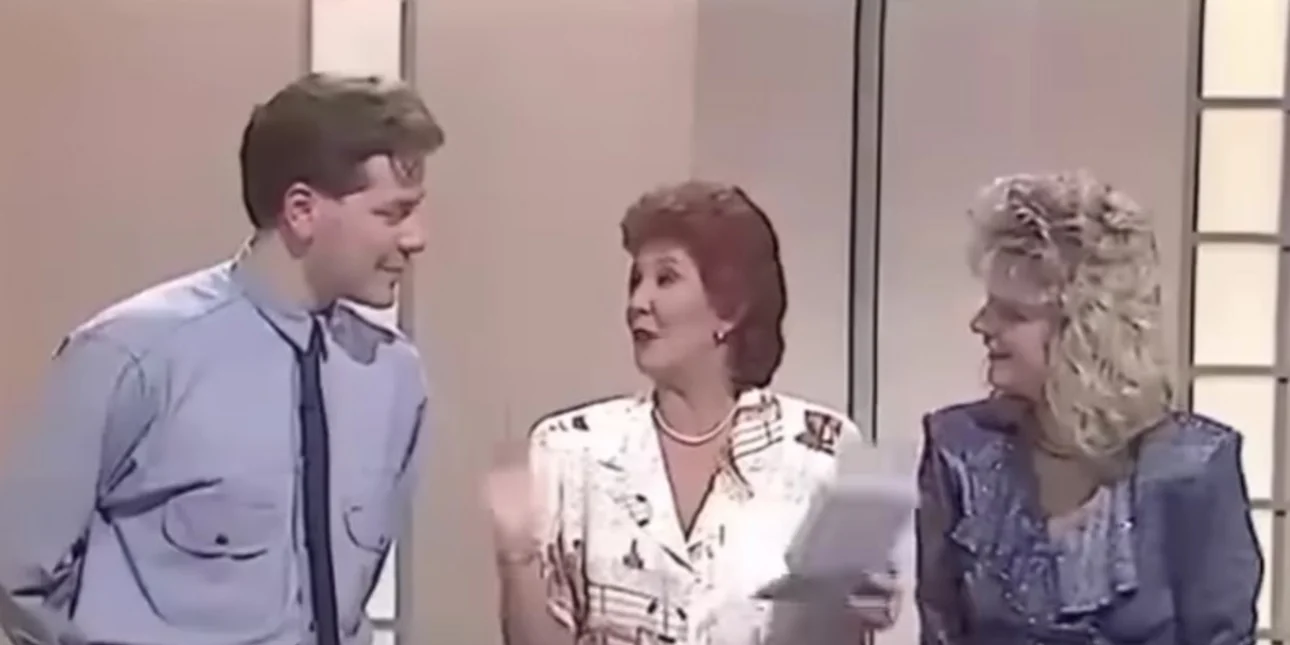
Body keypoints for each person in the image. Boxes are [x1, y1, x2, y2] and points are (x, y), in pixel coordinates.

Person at [0, 73, 443, 645]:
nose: (417, 237)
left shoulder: (393, 377)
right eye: (392, 213)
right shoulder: (132, 355)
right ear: (302, 210)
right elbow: (19, 574)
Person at [483, 180, 901, 645]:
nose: (638, 302)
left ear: (730, 308)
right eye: (635, 280)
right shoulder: (571, 448)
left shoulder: (820, 449)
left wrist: (852, 609)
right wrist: (516, 554)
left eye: (666, 279)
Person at [916, 171, 1263, 644]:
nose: (981, 324)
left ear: (1085, 332)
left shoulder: (1194, 466)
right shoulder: (958, 452)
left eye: (1013, 313)